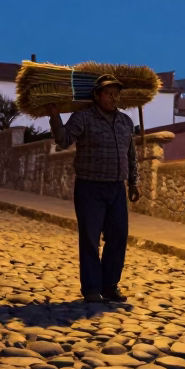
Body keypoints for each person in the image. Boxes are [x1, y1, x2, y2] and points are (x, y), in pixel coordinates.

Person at [47, 74, 142, 303]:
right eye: (109, 93)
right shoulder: (83, 118)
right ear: (97, 96)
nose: (114, 97)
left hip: (116, 188)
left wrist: (134, 182)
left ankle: (110, 285)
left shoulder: (125, 122)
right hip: (90, 187)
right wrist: (54, 117)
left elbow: (131, 154)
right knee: (90, 238)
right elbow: (64, 140)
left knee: (118, 237)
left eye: (116, 93)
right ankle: (91, 288)